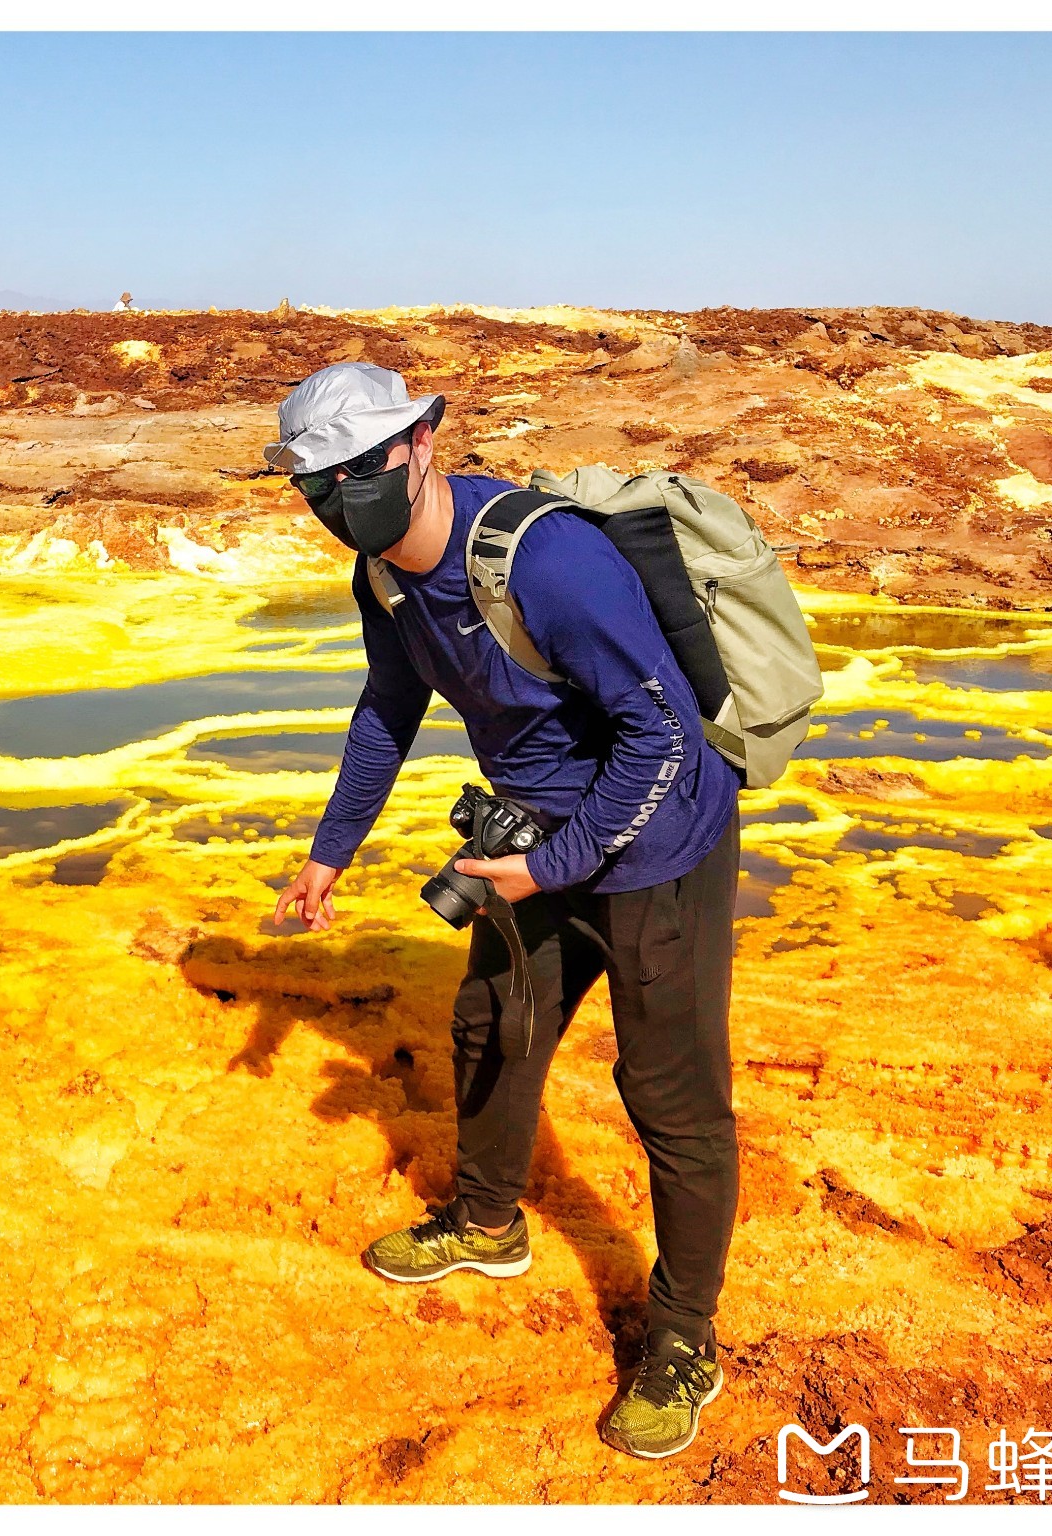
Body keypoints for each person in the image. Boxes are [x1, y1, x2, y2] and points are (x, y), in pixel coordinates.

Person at [266, 363, 743, 1462]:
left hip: (656, 843)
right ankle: (485, 1222)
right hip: (528, 837)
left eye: (357, 471)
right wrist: (328, 853)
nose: (340, 500)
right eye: (315, 485)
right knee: (490, 1029)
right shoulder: (380, 575)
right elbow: (388, 707)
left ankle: (682, 1339)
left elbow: (658, 737)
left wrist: (557, 863)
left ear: (423, 440)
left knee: (668, 1097)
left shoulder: (549, 560)